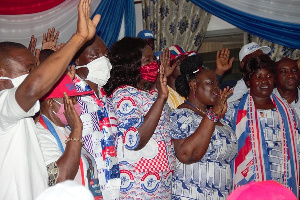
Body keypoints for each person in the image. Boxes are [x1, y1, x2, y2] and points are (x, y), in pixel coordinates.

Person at [0, 0, 100, 198]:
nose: (34, 74)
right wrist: (79, 38)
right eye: (29, 70)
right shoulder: (2, 105)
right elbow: (33, 88)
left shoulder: (24, 119)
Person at [104, 37, 176, 199]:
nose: (154, 64)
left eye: (154, 60)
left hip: (160, 182)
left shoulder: (146, 93)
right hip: (138, 184)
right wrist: (160, 99)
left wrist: (160, 81)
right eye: (147, 60)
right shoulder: (123, 95)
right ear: (131, 64)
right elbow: (133, 141)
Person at [224, 54, 299, 197]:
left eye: (269, 76)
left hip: (282, 183)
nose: (264, 81)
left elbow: (297, 146)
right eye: (258, 77)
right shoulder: (233, 111)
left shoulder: (287, 111)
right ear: (247, 81)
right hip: (250, 185)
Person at [168, 55, 237, 199]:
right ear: (193, 85)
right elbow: (186, 154)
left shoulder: (217, 117)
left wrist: (217, 116)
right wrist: (212, 115)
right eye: (211, 83)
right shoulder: (182, 115)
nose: (217, 89)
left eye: (217, 84)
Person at [36, 73, 104, 199]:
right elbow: (60, 178)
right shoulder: (40, 133)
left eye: (75, 100)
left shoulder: (66, 130)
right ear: (51, 103)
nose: (76, 105)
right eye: (70, 100)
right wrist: (77, 129)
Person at [73, 35, 120, 199]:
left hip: (111, 189)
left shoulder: (107, 100)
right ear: (77, 60)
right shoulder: (70, 98)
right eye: (95, 54)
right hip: (83, 189)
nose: (103, 60)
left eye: (105, 55)